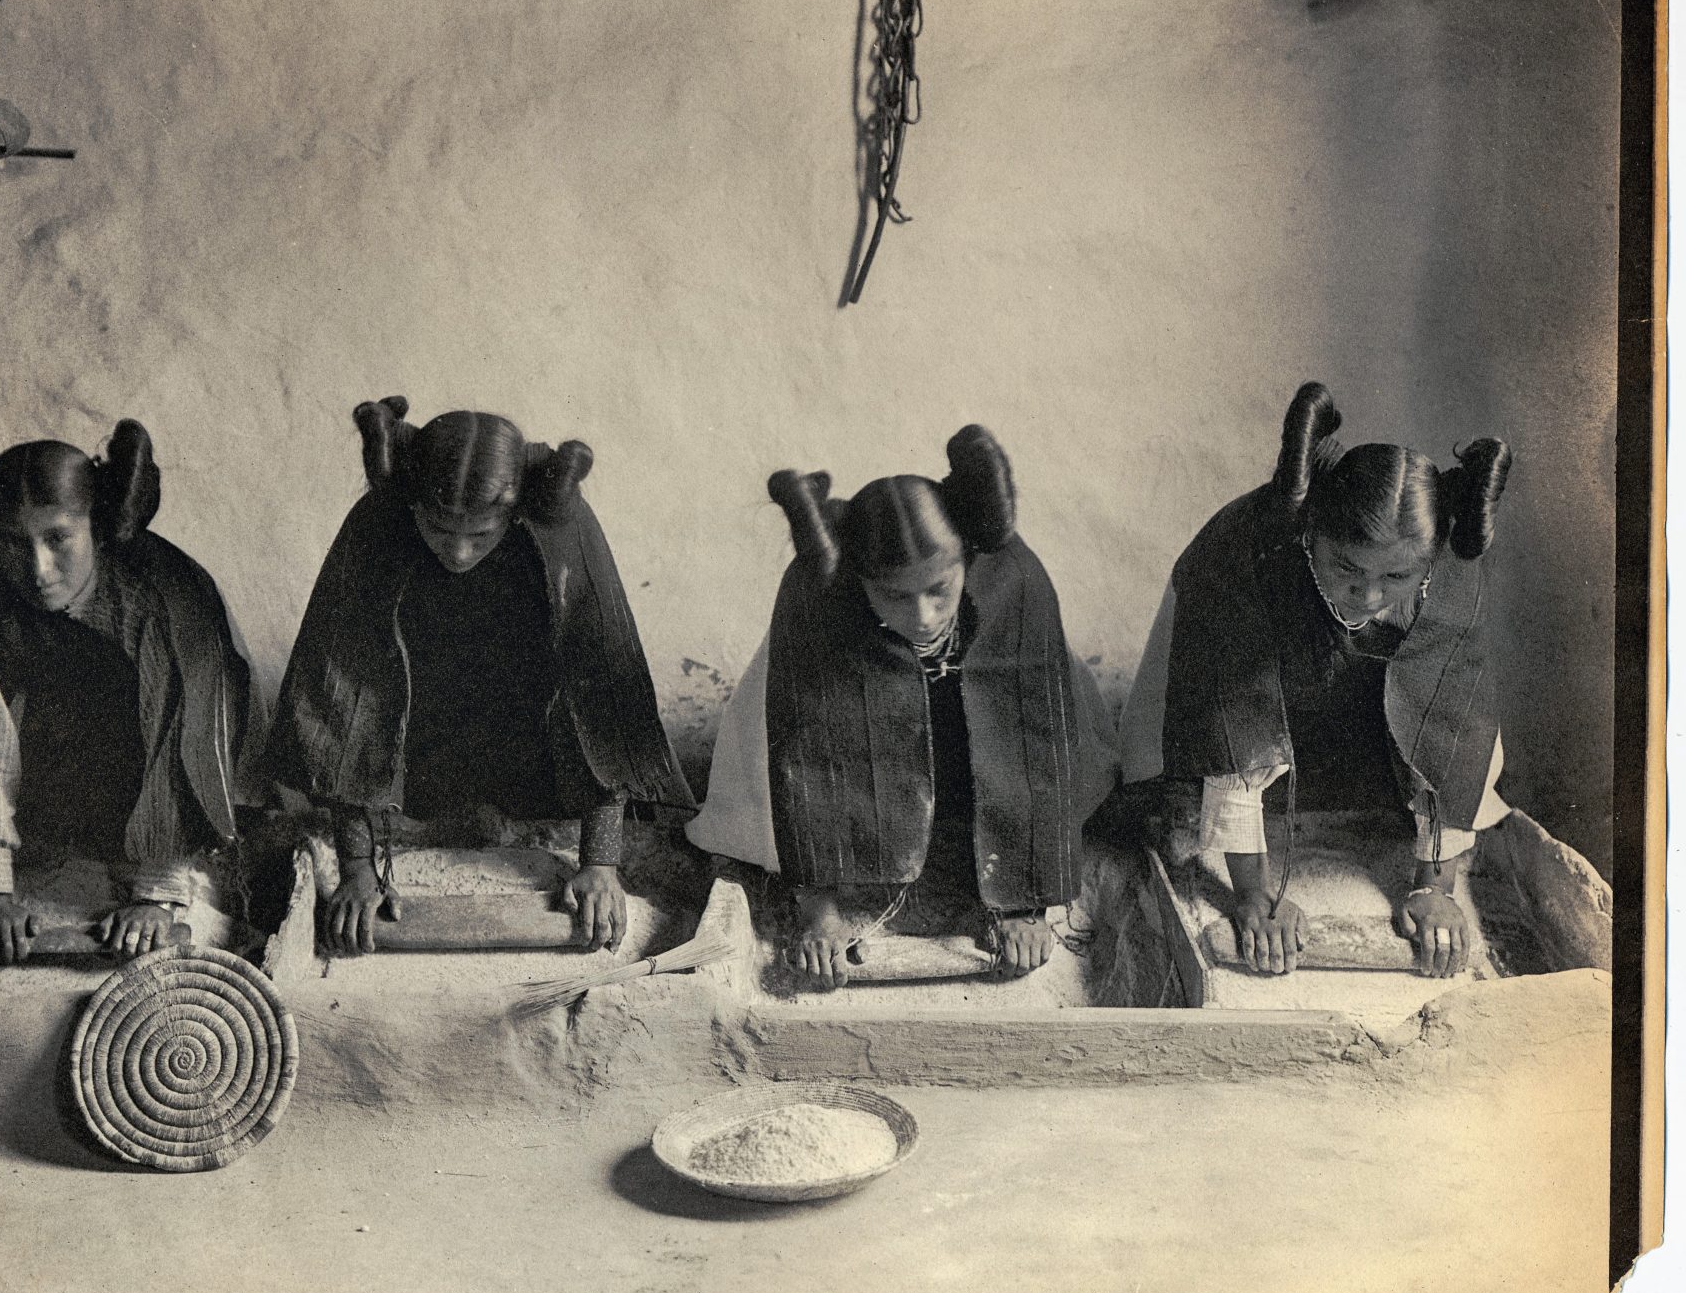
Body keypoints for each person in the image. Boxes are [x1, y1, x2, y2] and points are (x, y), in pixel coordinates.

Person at [686, 426, 1118, 988]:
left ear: (967, 558)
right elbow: (807, 753)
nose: (924, 615)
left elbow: (1032, 732)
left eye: (940, 587)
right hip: (862, 739)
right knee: (769, 779)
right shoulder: (821, 602)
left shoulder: (1016, 580)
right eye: (894, 595)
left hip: (968, 739)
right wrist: (821, 913)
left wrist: (1025, 903)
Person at [1116, 381, 1513, 980]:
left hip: (1348, 688)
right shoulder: (1245, 556)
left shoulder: (1454, 577)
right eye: (1348, 568)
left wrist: (1434, 887)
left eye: (1398, 577)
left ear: (1428, 562)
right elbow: (1235, 730)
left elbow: (1453, 734)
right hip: (1239, 678)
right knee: (1169, 793)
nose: (1371, 595)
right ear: (1313, 537)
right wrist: (1253, 894)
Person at [267, 398, 692, 956]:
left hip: (527, 733)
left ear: (513, 514)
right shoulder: (379, 524)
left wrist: (600, 864)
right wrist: (359, 868)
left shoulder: (561, 529)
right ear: (414, 505)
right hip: (419, 728)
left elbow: (600, 701)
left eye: (481, 534)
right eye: (440, 530)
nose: (460, 552)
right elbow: (342, 700)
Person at [0, 420, 254, 963]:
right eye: (14, 542)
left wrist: (156, 897)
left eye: (58, 539)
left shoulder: (171, 600)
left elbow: (184, 736)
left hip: (165, 800)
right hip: (53, 801)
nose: (38, 569)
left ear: (96, 525)